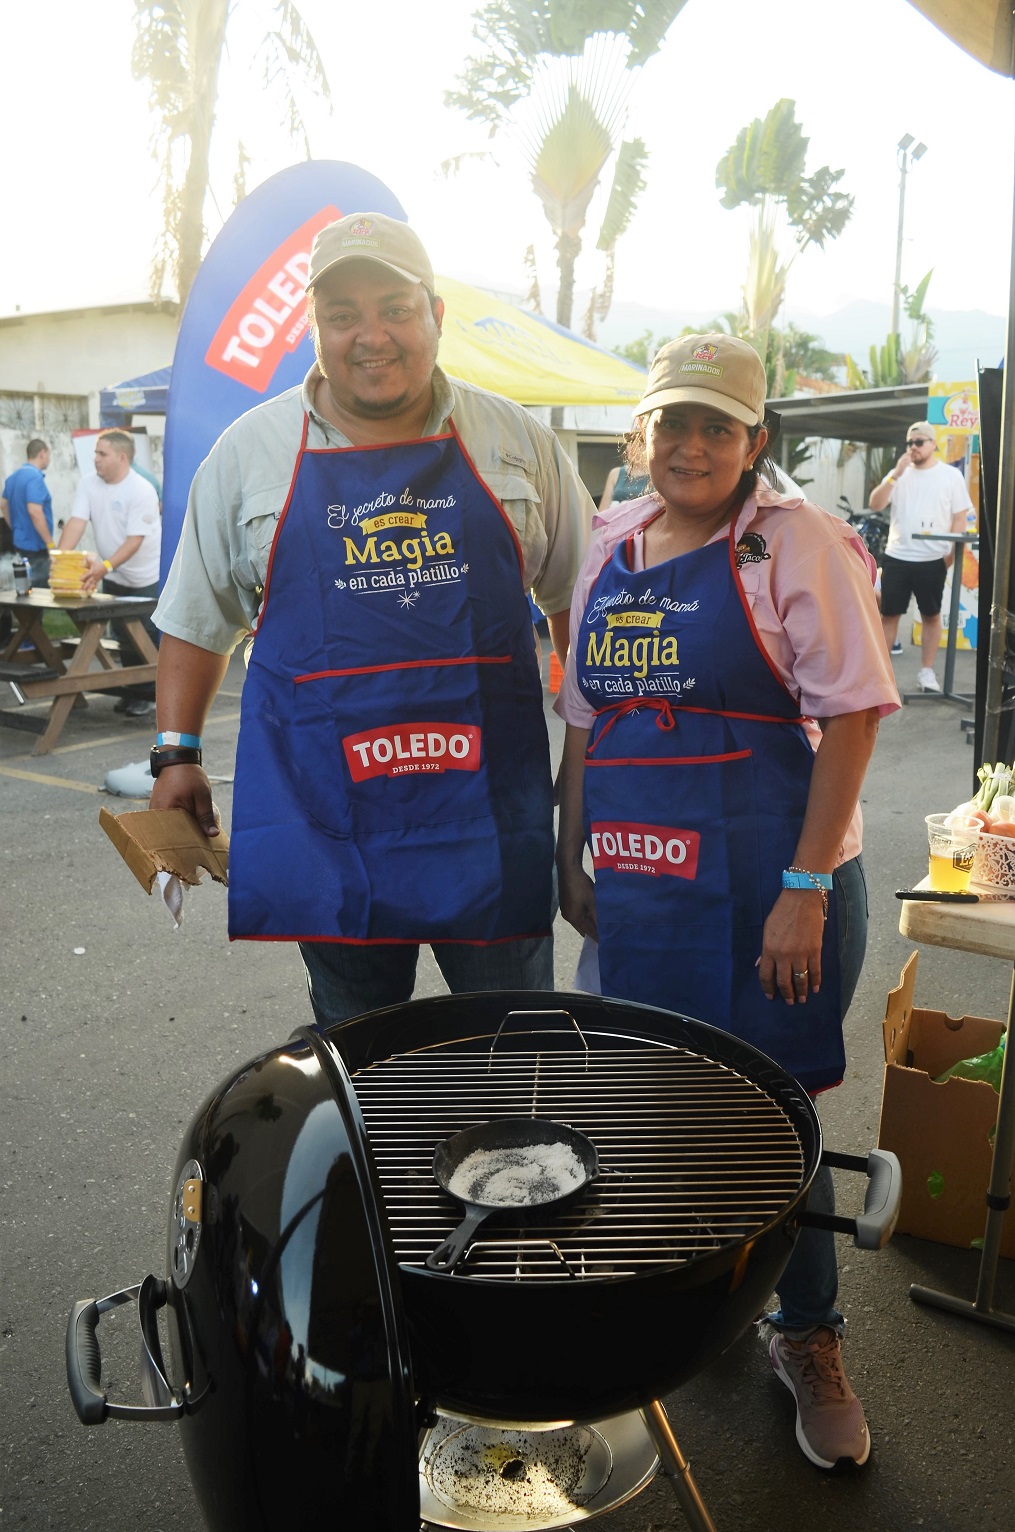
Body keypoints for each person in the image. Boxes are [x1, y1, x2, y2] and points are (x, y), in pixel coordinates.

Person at [554, 334, 900, 1471]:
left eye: (718, 425)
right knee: (656, 1111)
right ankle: (691, 1310)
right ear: (637, 434)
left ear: (756, 441)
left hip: (776, 886)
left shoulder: (795, 543)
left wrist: (801, 888)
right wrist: (573, 852)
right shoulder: (609, 546)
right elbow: (585, 719)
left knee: (775, 1122)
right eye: (672, 422)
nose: (691, 444)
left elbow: (851, 713)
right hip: (643, 881)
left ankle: (806, 1335)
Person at [149, 211, 588, 1022]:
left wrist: (589, 763)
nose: (370, 335)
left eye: (394, 307)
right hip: (330, 819)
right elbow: (195, 615)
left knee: (514, 1045)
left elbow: (580, 604)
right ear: (314, 327)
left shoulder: (515, 441)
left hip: (489, 819)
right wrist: (174, 753)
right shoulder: (251, 453)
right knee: (359, 1054)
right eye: (342, 315)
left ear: (436, 316)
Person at [58, 430, 162, 717]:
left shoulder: (141, 489)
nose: (95, 459)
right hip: (113, 572)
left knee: (147, 633)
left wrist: (104, 566)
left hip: (144, 576)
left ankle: (154, 696)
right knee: (122, 634)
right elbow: (77, 522)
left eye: (101, 453)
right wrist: (60, 560)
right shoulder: (89, 484)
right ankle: (135, 692)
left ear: (122, 456)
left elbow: (134, 540)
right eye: (95, 453)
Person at [868, 421, 972, 692]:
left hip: (932, 559)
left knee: (931, 615)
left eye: (919, 442)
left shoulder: (951, 476)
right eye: (909, 443)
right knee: (889, 616)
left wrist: (950, 554)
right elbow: (875, 504)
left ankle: (926, 672)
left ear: (933, 444)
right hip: (898, 556)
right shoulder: (898, 474)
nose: (913, 447)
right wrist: (895, 475)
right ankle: (880, 676)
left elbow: (959, 517)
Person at [2, 438, 54, 588]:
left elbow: (3, 505)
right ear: (42, 453)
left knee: (24, 583)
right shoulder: (35, 478)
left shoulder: (13, 477)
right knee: (39, 589)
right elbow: (35, 512)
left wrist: (16, 527)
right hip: (36, 544)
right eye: (48, 455)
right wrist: (50, 543)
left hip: (20, 541)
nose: (48, 460)